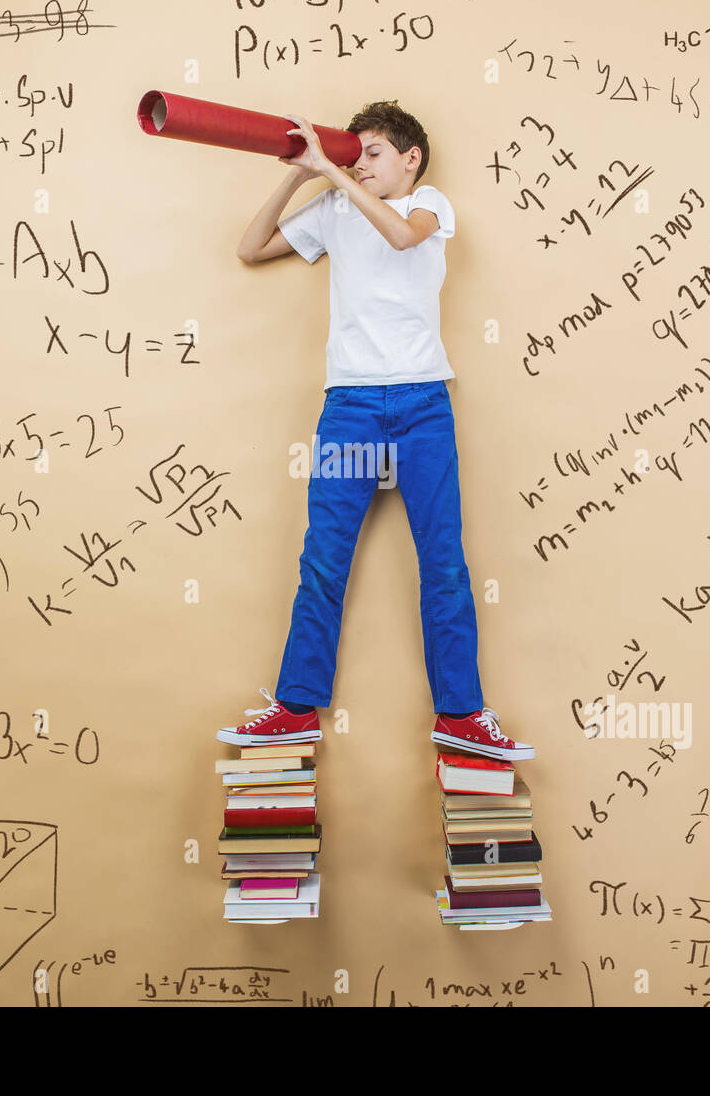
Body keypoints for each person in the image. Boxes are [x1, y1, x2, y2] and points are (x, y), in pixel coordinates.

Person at [216, 101, 533, 762]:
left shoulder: (431, 204)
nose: (361, 162)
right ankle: (294, 708)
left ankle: (463, 715)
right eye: (354, 152)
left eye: (374, 152)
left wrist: (332, 170)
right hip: (352, 407)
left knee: (443, 563)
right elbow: (250, 249)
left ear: (410, 158)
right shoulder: (335, 206)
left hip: (422, 404)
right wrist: (299, 177)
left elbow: (401, 237)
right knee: (322, 562)